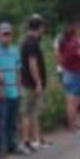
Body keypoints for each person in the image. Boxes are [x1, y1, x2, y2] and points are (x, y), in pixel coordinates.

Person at [0, 22, 25, 158]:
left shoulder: (15, 50)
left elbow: (18, 70)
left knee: (13, 121)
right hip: (0, 91)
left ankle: (12, 146)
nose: (6, 37)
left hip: (13, 91)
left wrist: (19, 88)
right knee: (0, 122)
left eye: (9, 35)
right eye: (4, 34)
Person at [19, 14, 49, 151]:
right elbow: (32, 63)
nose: (44, 29)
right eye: (43, 26)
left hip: (30, 83)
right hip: (30, 84)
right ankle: (27, 141)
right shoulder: (30, 43)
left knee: (34, 112)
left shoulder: (30, 42)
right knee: (29, 112)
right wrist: (38, 82)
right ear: (39, 27)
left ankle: (36, 139)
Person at [58, 21, 80, 135]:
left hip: (67, 72)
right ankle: (74, 128)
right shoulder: (75, 43)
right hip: (75, 74)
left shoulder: (65, 43)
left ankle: (72, 126)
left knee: (70, 101)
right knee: (74, 102)